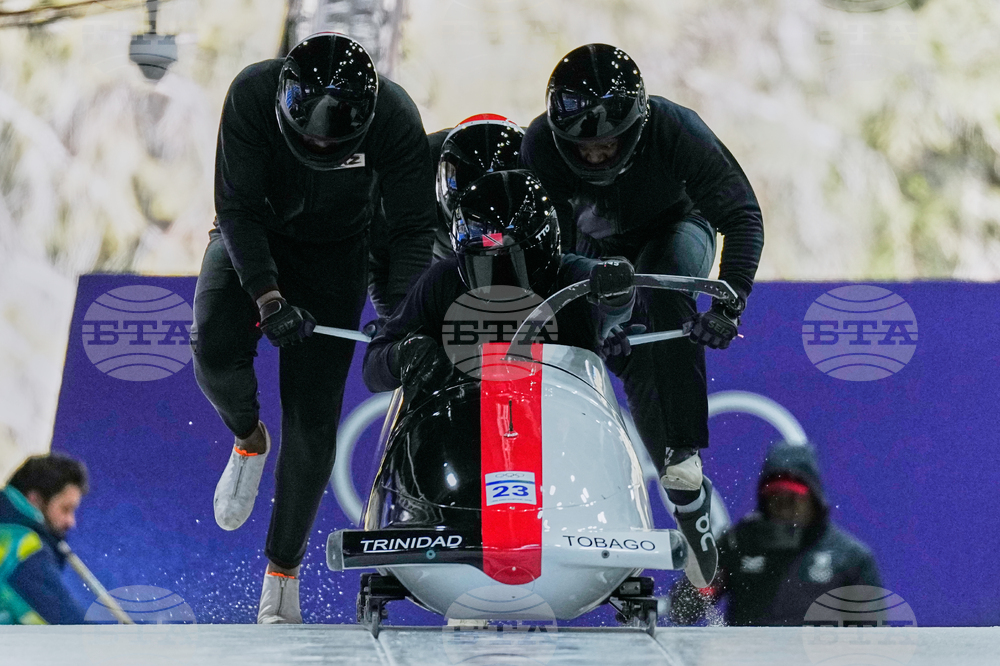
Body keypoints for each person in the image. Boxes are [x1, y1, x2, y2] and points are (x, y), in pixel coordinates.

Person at [190, 32, 437, 624]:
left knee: (312, 419)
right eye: (311, 138)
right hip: (253, 238)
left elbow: (410, 231)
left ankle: (282, 572)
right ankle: (248, 437)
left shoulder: (397, 119)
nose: (322, 145)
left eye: (336, 142)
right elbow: (238, 208)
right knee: (215, 353)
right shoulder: (251, 93)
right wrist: (269, 298)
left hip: (336, 257)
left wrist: (400, 320)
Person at [519, 43, 765, 589]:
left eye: (607, 145)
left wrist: (731, 298)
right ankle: (684, 502)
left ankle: (683, 452)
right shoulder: (536, 147)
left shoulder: (677, 130)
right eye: (583, 148)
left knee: (668, 282)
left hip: (675, 229)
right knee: (625, 361)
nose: (596, 158)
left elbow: (742, 214)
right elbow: (543, 255)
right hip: (592, 256)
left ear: (635, 128)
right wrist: (599, 319)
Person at [363, 169, 639, 399]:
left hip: (560, 419)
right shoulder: (443, 281)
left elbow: (612, 299)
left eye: (510, 258)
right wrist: (402, 356)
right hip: (460, 423)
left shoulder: (568, 275)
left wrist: (616, 289)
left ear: (543, 247)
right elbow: (373, 368)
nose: (498, 275)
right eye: (484, 260)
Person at [667, 440, 883, 626]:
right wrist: (708, 579)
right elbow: (680, 611)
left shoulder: (851, 558)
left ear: (814, 499)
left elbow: (872, 640)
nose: (783, 507)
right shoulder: (738, 544)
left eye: (792, 497)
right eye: (774, 496)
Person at [368, 114, 525, 308]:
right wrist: (394, 319)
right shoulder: (410, 178)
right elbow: (380, 260)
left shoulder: (541, 165)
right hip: (436, 251)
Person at [0, 454, 88, 624]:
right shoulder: (22, 544)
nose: (71, 522)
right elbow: (67, 625)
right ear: (35, 500)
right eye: (65, 509)